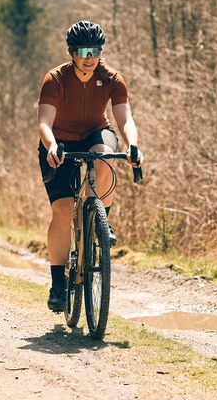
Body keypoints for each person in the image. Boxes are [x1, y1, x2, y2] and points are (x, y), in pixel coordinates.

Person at [37, 20, 143, 312]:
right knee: (62, 209)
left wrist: (132, 144)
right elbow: (44, 123)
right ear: (72, 52)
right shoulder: (55, 78)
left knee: (105, 156)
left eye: (94, 50)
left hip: (96, 133)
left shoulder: (112, 78)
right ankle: (58, 283)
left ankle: (101, 221)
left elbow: (124, 119)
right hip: (59, 142)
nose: (89, 56)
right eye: (82, 50)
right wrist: (51, 145)